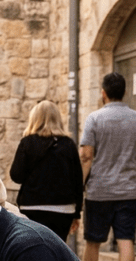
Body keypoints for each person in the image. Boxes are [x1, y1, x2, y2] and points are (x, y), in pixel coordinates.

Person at [79, 73, 136, 261]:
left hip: (100, 191)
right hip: (128, 190)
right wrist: (133, 176)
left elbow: (86, 156)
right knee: (126, 240)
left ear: (103, 92)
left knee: (93, 242)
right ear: (125, 91)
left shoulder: (95, 119)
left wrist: (81, 185)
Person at [10, 101, 84, 241]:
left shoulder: (27, 142)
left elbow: (16, 176)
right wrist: (76, 214)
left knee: (33, 247)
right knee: (57, 249)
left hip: (32, 206)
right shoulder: (68, 144)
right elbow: (77, 182)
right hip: (63, 209)